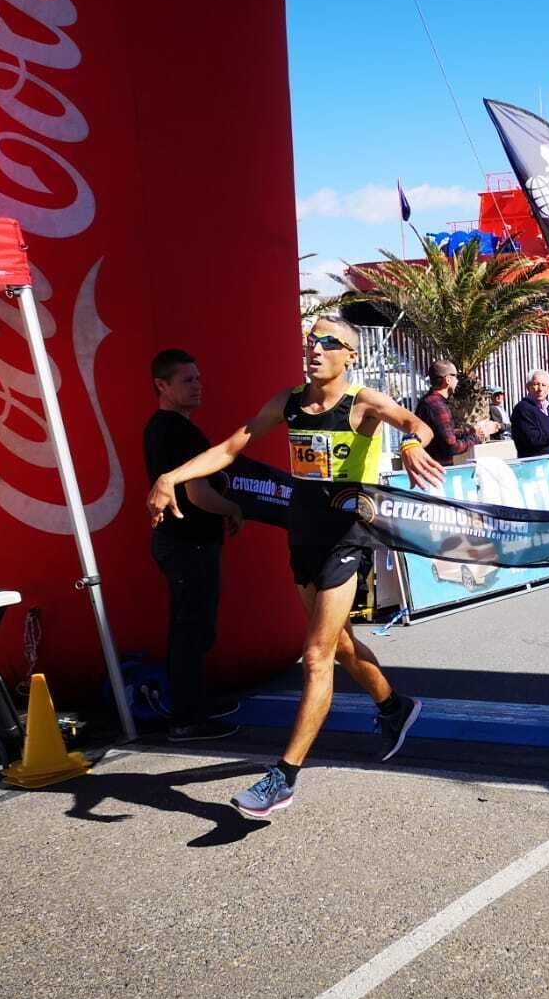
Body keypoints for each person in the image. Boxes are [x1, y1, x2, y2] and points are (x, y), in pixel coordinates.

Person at [146, 318, 446, 820]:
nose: (315, 347)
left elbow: (415, 423)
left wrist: (412, 444)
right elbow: (229, 447)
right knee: (341, 643)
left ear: (350, 355)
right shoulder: (288, 403)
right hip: (303, 537)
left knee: (315, 655)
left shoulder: (363, 402)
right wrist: (170, 477)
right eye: (311, 338)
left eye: (329, 342)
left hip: (347, 538)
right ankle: (395, 707)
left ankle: (282, 777)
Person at [142, 350, 243, 743]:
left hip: (184, 542)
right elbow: (197, 493)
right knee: (191, 630)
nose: (197, 386)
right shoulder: (174, 430)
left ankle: (194, 702)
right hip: (187, 543)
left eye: (198, 378)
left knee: (194, 629)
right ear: (162, 386)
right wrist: (233, 507)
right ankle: (187, 717)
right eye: (187, 380)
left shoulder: (165, 427)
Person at [417, 359, 499, 463]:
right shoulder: (437, 406)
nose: (457, 381)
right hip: (438, 471)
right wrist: (477, 436)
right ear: (448, 379)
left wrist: (471, 431)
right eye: (455, 376)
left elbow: (443, 434)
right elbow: (452, 447)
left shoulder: (427, 401)